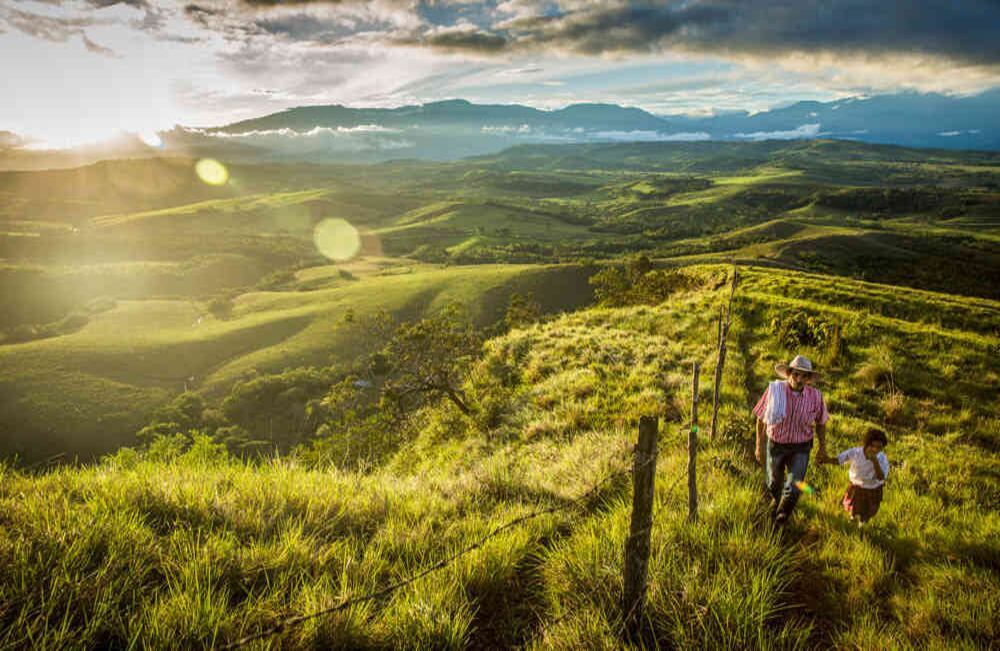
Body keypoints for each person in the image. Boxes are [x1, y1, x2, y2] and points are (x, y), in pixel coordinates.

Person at [752, 354, 829, 525]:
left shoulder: (816, 396)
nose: (799, 379)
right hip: (776, 444)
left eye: (804, 376)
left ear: (808, 378)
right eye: (795, 374)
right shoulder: (775, 390)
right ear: (789, 373)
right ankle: (775, 500)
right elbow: (760, 417)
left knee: (794, 486)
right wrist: (759, 444)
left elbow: (821, 422)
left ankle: (781, 517)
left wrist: (822, 447)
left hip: (801, 447)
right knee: (774, 483)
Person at [821, 428, 889, 525]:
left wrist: (875, 462)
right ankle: (852, 521)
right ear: (866, 444)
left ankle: (863, 524)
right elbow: (839, 460)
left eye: (879, 447)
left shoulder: (881, 458)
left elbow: (881, 477)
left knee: (867, 512)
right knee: (853, 509)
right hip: (857, 486)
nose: (875, 450)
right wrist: (826, 460)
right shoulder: (856, 452)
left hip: (872, 488)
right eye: (873, 446)